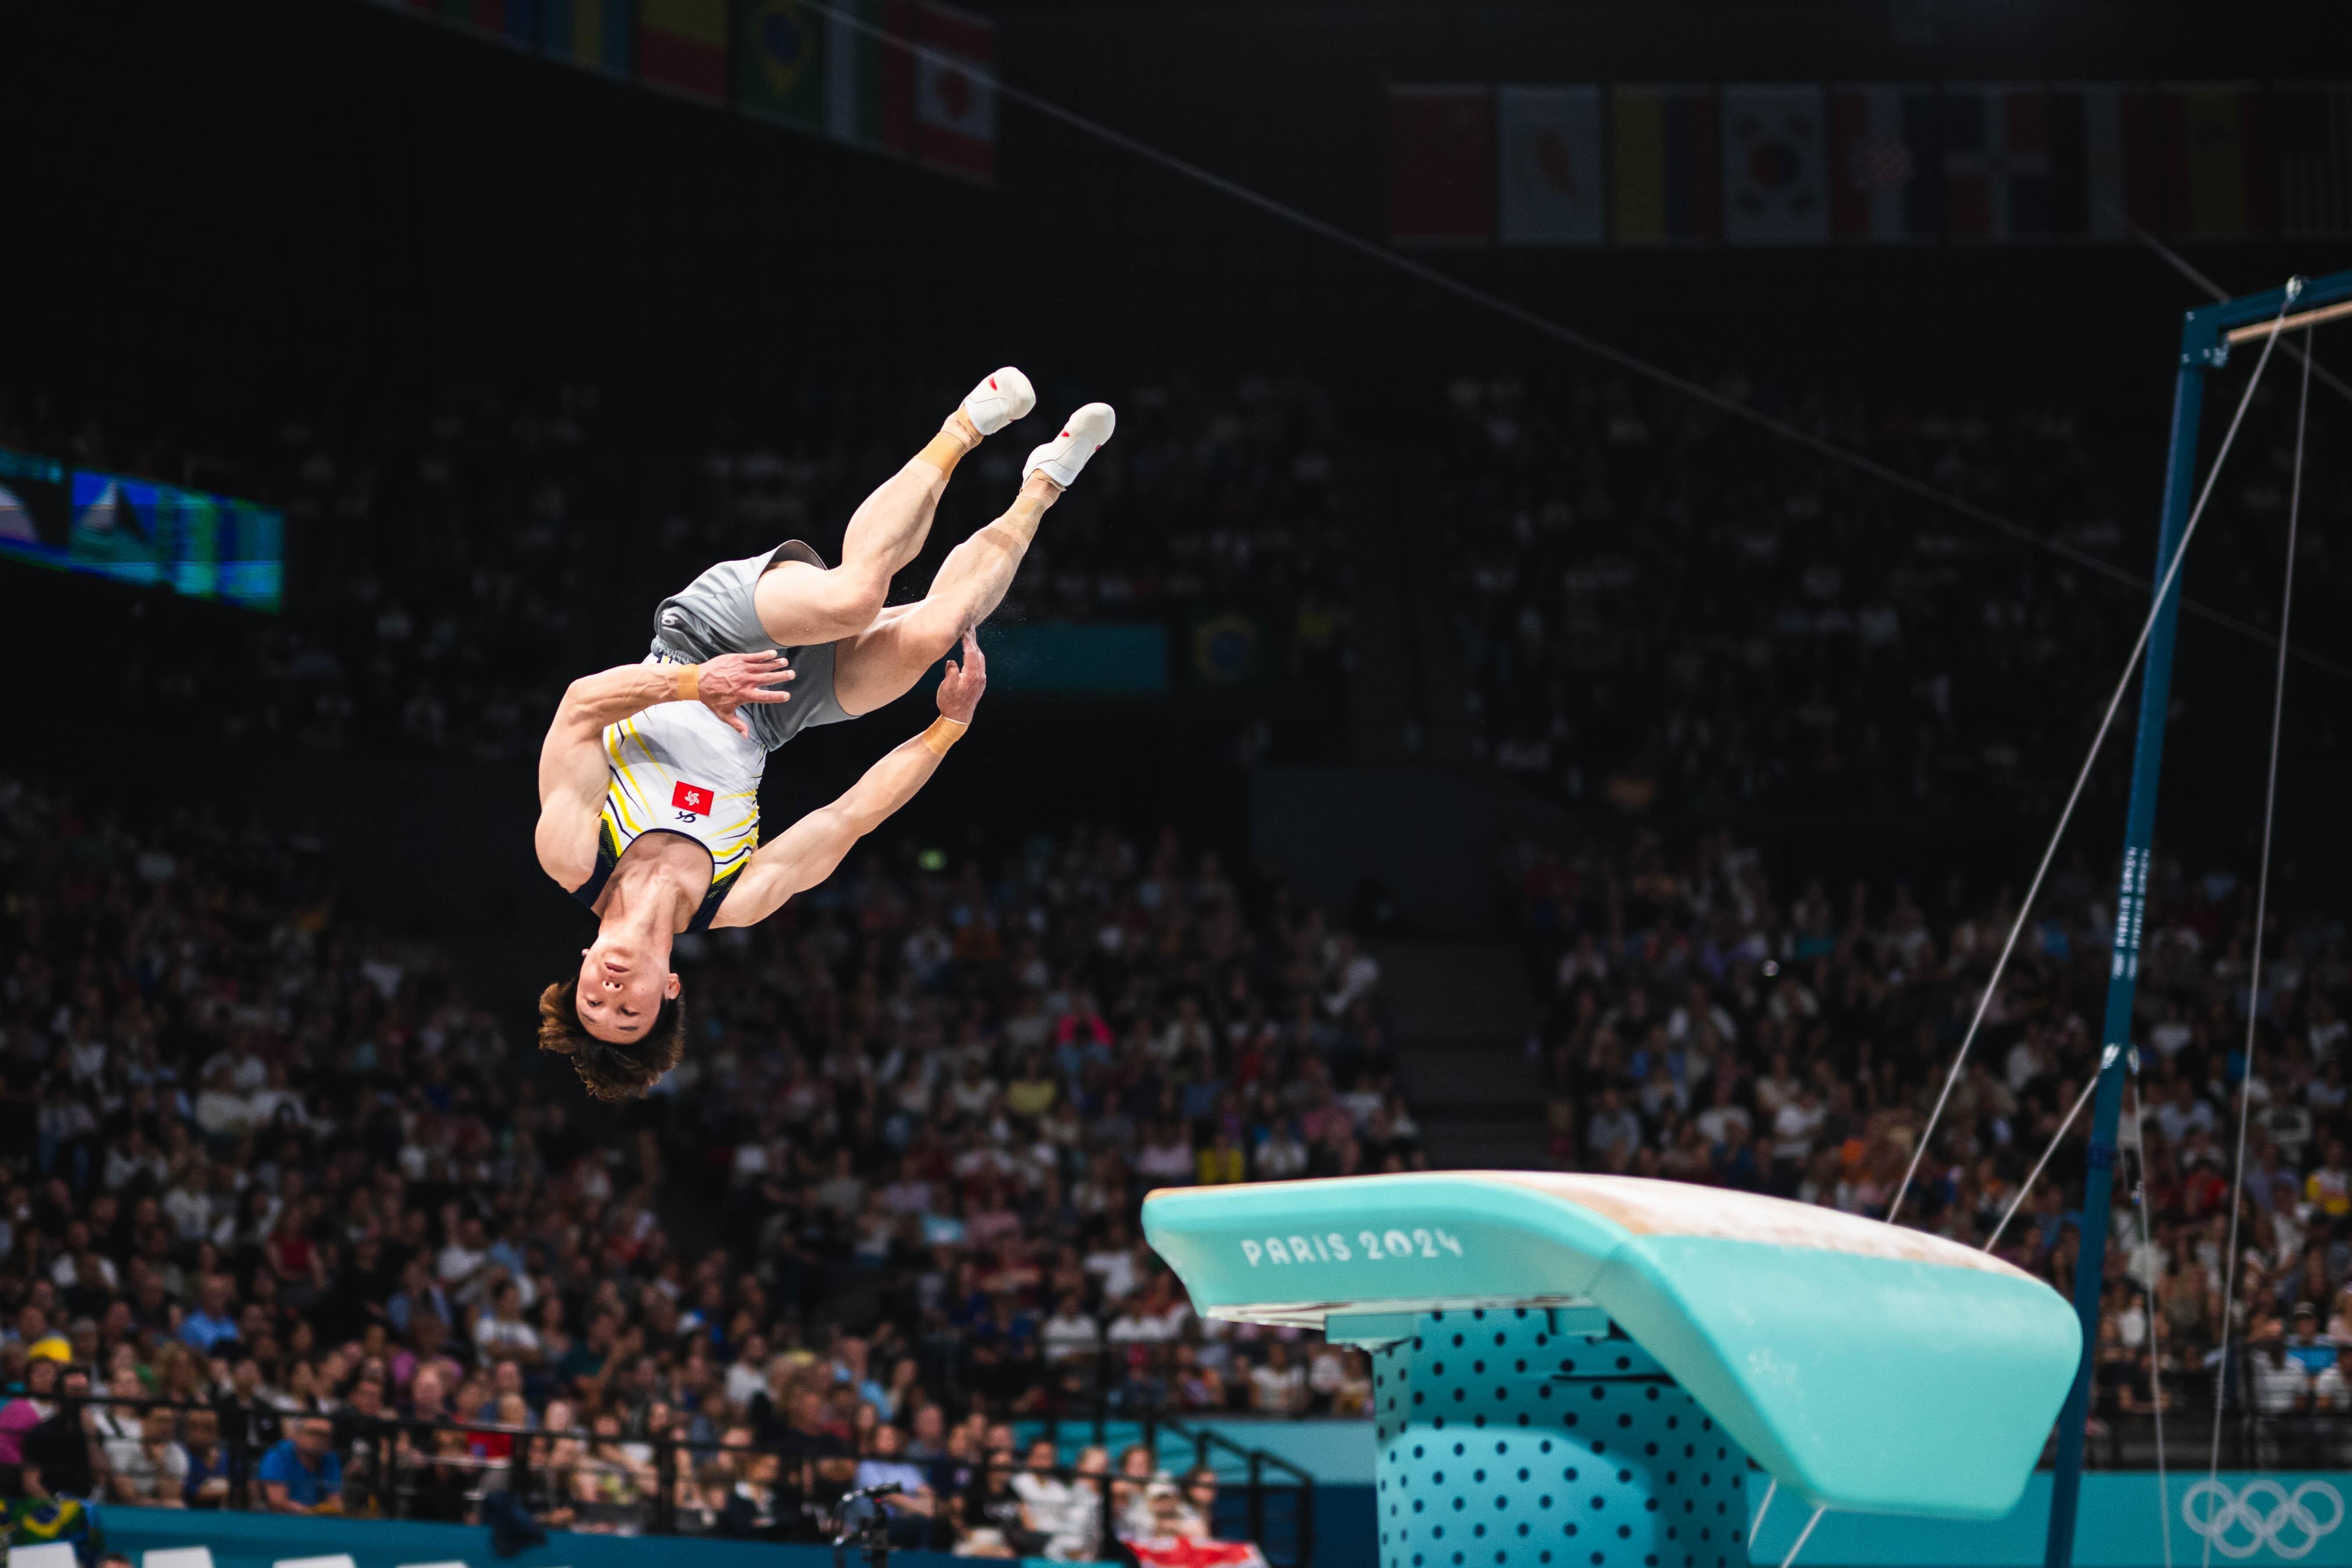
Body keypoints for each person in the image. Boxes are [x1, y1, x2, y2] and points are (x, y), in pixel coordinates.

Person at [532, 370, 1116, 1100]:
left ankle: (965, 425)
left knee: (853, 596)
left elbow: (580, 706)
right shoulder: (735, 897)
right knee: (940, 624)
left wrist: (694, 682)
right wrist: (948, 726)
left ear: (580, 967)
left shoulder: (572, 854)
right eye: (628, 1012)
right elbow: (851, 816)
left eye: (593, 1001)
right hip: (778, 712)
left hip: (701, 641)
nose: (611, 993)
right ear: (670, 989)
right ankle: (1045, 483)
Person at [258, 1415, 345, 1514]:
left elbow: (336, 1500)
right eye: (314, 1434)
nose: (321, 1440)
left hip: (319, 1522)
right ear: (298, 1435)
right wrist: (312, 1512)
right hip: (283, 1520)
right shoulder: (278, 1455)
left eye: (326, 1436)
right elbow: (278, 1502)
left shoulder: (330, 1458)